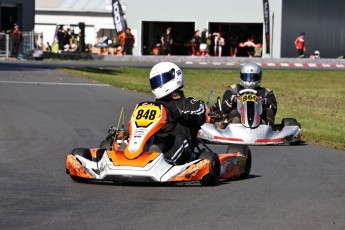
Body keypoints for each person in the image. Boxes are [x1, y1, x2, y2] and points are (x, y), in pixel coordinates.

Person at [149, 62, 206, 165]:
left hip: (180, 143)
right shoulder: (154, 105)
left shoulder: (189, 103)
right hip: (156, 139)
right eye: (155, 82)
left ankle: (163, 162)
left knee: (178, 140)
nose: (158, 84)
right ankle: (130, 155)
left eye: (162, 79)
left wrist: (180, 114)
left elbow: (200, 114)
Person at [220, 62, 277, 127]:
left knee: (268, 112)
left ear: (259, 77)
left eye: (252, 77)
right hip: (239, 120)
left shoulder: (266, 92)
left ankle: (267, 130)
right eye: (246, 77)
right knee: (234, 112)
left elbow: (273, 109)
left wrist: (266, 103)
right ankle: (232, 128)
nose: (249, 80)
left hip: (259, 120)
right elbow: (224, 107)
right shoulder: (233, 89)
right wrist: (230, 102)